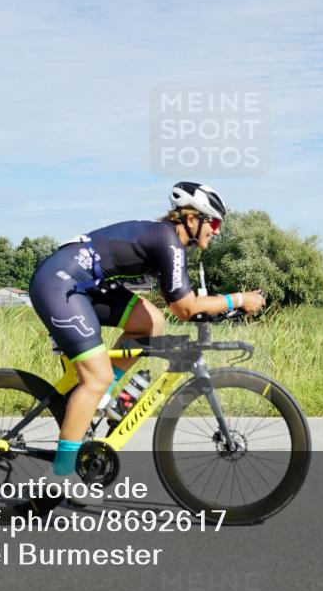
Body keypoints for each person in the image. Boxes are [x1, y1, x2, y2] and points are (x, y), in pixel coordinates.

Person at [28, 182, 266, 476]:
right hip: (59, 284)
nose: (216, 230)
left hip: (84, 286)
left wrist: (227, 305)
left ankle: (100, 400)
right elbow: (186, 307)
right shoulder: (168, 242)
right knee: (96, 378)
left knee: (151, 321)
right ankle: (63, 474)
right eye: (213, 222)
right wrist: (239, 299)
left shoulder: (168, 241)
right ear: (191, 220)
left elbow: (178, 306)